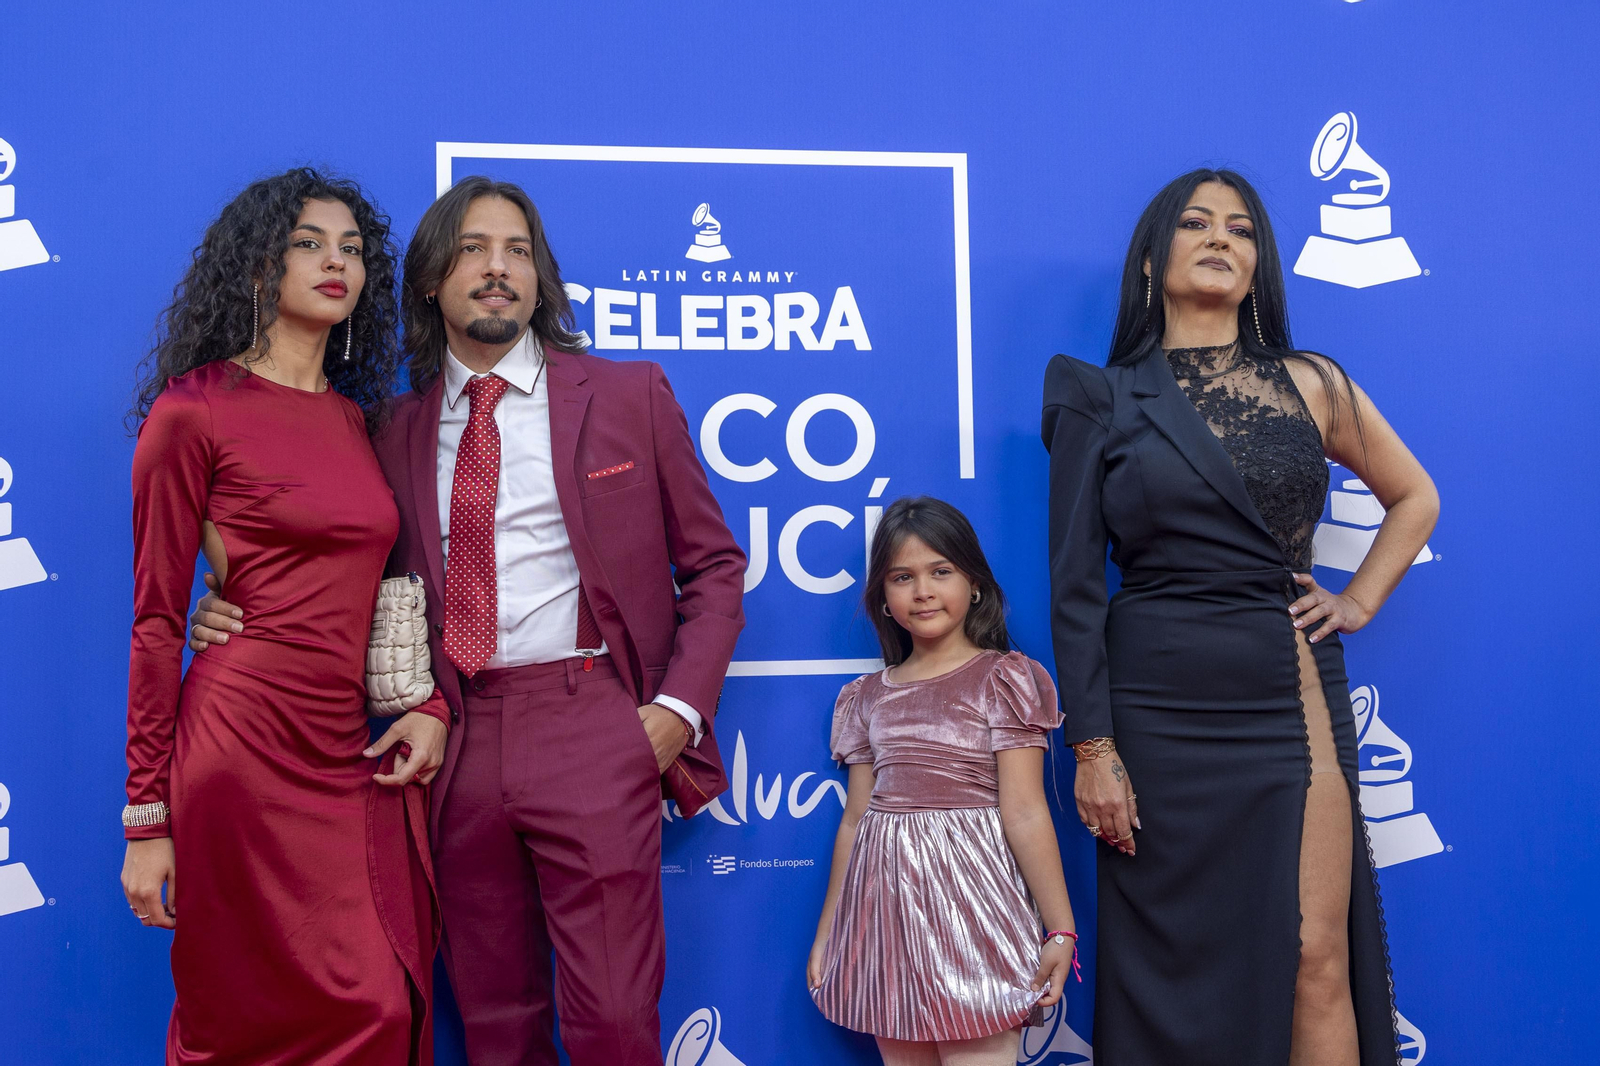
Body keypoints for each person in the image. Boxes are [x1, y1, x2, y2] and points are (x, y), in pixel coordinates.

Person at [190, 175, 747, 1066]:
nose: (499, 269)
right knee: (494, 1025)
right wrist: (233, 607)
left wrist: (674, 714)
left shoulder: (628, 394)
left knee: (614, 1023)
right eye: (473, 250)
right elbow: (333, 560)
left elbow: (715, 567)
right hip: (450, 739)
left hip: (593, 722)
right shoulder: (387, 431)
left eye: (518, 251)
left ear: (540, 278)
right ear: (427, 283)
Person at [1043, 169, 1440, 1065]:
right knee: (1176, 973)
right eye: (1196, 223)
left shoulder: (1314, 383)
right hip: (1154, 711)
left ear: (1259, 266)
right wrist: (1094, 749)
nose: (1221, 238)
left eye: (1242, 229)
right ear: (1152, 261)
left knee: (1315, 957)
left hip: (1287, 690)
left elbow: (1415, 496)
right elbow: (1073, 588)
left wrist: (1357, 599)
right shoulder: (1095, 395)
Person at [120, 167, 450, 1065]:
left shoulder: (356, 423)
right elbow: (156, 624)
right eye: (309, 244)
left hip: (343, 751)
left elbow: (385, 587)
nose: (335, 263)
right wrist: (147, 819)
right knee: (239, 1022)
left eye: (351, 249)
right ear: (261, 264)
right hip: (239, 748)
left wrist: (426, 702)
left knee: (378, 1006)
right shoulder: (192, 411)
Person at [808, 496, 1078, 1066]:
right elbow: (855, 820)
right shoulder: (865, 696)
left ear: (973, 583)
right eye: (902, 577)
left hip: (977, 908)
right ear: (883, 596)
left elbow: (1026, 811)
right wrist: (830, 930)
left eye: (940, 571)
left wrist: (1060, 930)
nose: (923, 591)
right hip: (884, 916)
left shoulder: (1005, 677)